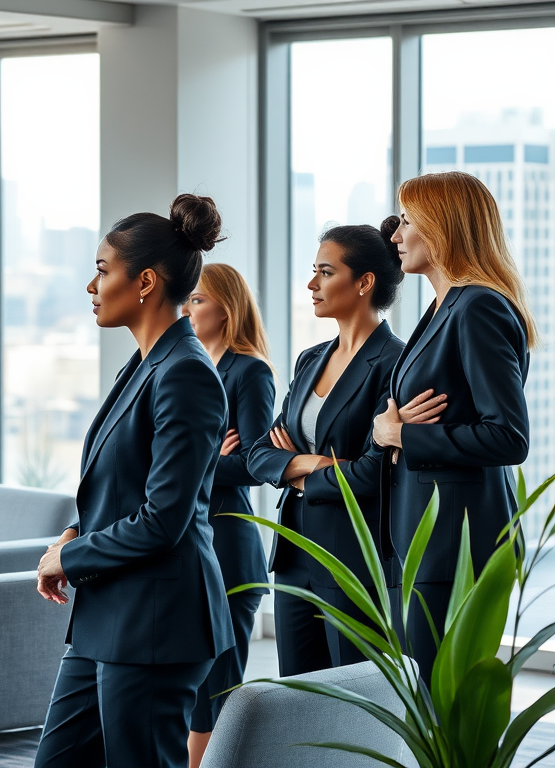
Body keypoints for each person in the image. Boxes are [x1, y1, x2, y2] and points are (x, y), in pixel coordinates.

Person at [33, 194, 235, 768]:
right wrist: (74, 535)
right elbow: (122, 485)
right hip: (107, 614)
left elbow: (164, 518)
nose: (91, 286)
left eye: (102, 270)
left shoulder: (187, 374)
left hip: (155, 621)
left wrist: (68, 561)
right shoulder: (145, 362)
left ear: (144, 281)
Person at [373, 171, 535, 683]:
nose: (395, 235)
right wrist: (385, 427)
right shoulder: (443, 306)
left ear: (442, 227)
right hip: (424, 534)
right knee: (425, 709)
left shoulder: (478, 306)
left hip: (455, 541)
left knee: (447, 716)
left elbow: (508, 435)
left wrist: (403, 436)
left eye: (406, 221)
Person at [248, 219, 405, 676]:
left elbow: (372, 474)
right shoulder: (311, 358)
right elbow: (260, 451)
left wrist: (293, 466)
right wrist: (317, 462)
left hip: (353, 557)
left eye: (325, 272)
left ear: (364, 282)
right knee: (296, 698)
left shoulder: (395, 363)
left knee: (353, 705)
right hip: (295, 554)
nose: (312, 284)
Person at [181, 263, 274, 767]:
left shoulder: (249, 371)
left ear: (227, 308)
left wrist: (200, 463)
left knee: (218, 684)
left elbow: (257, 463)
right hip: (188, 548)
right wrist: (205, 456)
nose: (187, 308)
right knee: (191, 682)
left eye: (197, 300)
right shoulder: (188, 364)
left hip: (229, 550)